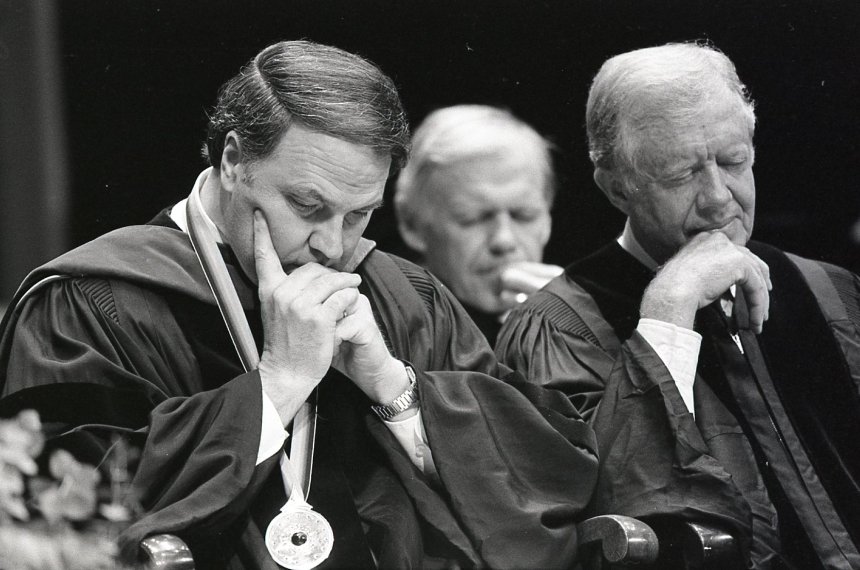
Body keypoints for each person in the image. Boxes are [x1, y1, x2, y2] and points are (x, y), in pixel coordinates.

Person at [0, 41, 599, 569]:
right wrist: (277, 385)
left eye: (359, 214)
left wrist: (395, 389)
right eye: (308, 207)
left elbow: (551, 483)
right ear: (232, 161)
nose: (332, 246)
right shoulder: (94, 304)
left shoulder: (403, 297)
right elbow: (60, 514)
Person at [497, 42, 860, 569]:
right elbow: (618, 518)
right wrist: (670, 307)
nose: (718, 198)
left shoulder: (826, 290)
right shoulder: (561, 327)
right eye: (680, 175)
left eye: (733, 162)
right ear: (617, 188)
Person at [393, 105, 562, 344]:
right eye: (473, 218)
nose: (504, 240)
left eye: (524, 215)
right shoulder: (388, 331)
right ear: (411, 224)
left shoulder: (585, 320)